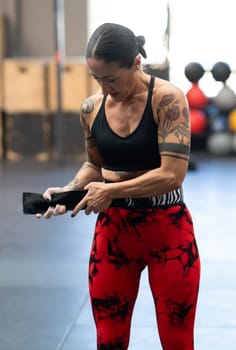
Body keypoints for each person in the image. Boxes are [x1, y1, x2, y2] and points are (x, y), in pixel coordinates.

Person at [37, 22, 201, 349]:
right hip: (114, 234)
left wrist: (110, 191)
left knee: (176, 339)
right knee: (108, 338)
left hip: (167, 231)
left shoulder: (168, 99)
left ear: (136, 63)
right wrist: (68, 192)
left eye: (111, 78)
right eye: (96, 79)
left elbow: (172, 175)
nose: (105, 88)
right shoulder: (91, 107)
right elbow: (94, 166)